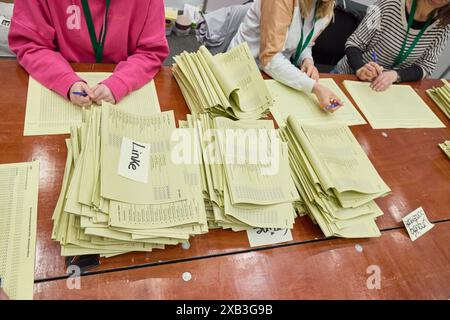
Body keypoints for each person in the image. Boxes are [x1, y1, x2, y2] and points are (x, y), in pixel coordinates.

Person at [8, 0, 169, 107]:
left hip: (124, 84)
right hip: (59, 80)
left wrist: (120, 82)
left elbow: (150, 50)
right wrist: (65, 80)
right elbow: (30, 43)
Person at [228, 0, 344, 112]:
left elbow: (304, 43)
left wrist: (306, 60)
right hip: (242, 72)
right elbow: (270, 58)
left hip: (276, 74)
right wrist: (315, 87)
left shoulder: (326, 7)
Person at [335, 0, 450, 92]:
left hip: (388, 88)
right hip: (349, 76)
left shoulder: (444, 26)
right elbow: (354, 43)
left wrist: (396, 75)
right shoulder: (389, 4)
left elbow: (426, 66)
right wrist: (360, 68)